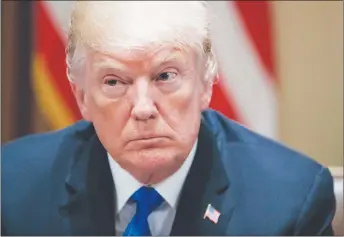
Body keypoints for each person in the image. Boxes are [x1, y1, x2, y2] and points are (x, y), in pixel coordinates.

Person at [1, 1, 336, 236]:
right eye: (115, 82)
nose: (143, 108)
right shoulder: (12, 189)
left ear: (206, 84)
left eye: (165, 76)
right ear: (83, 97)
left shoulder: (289, 203)